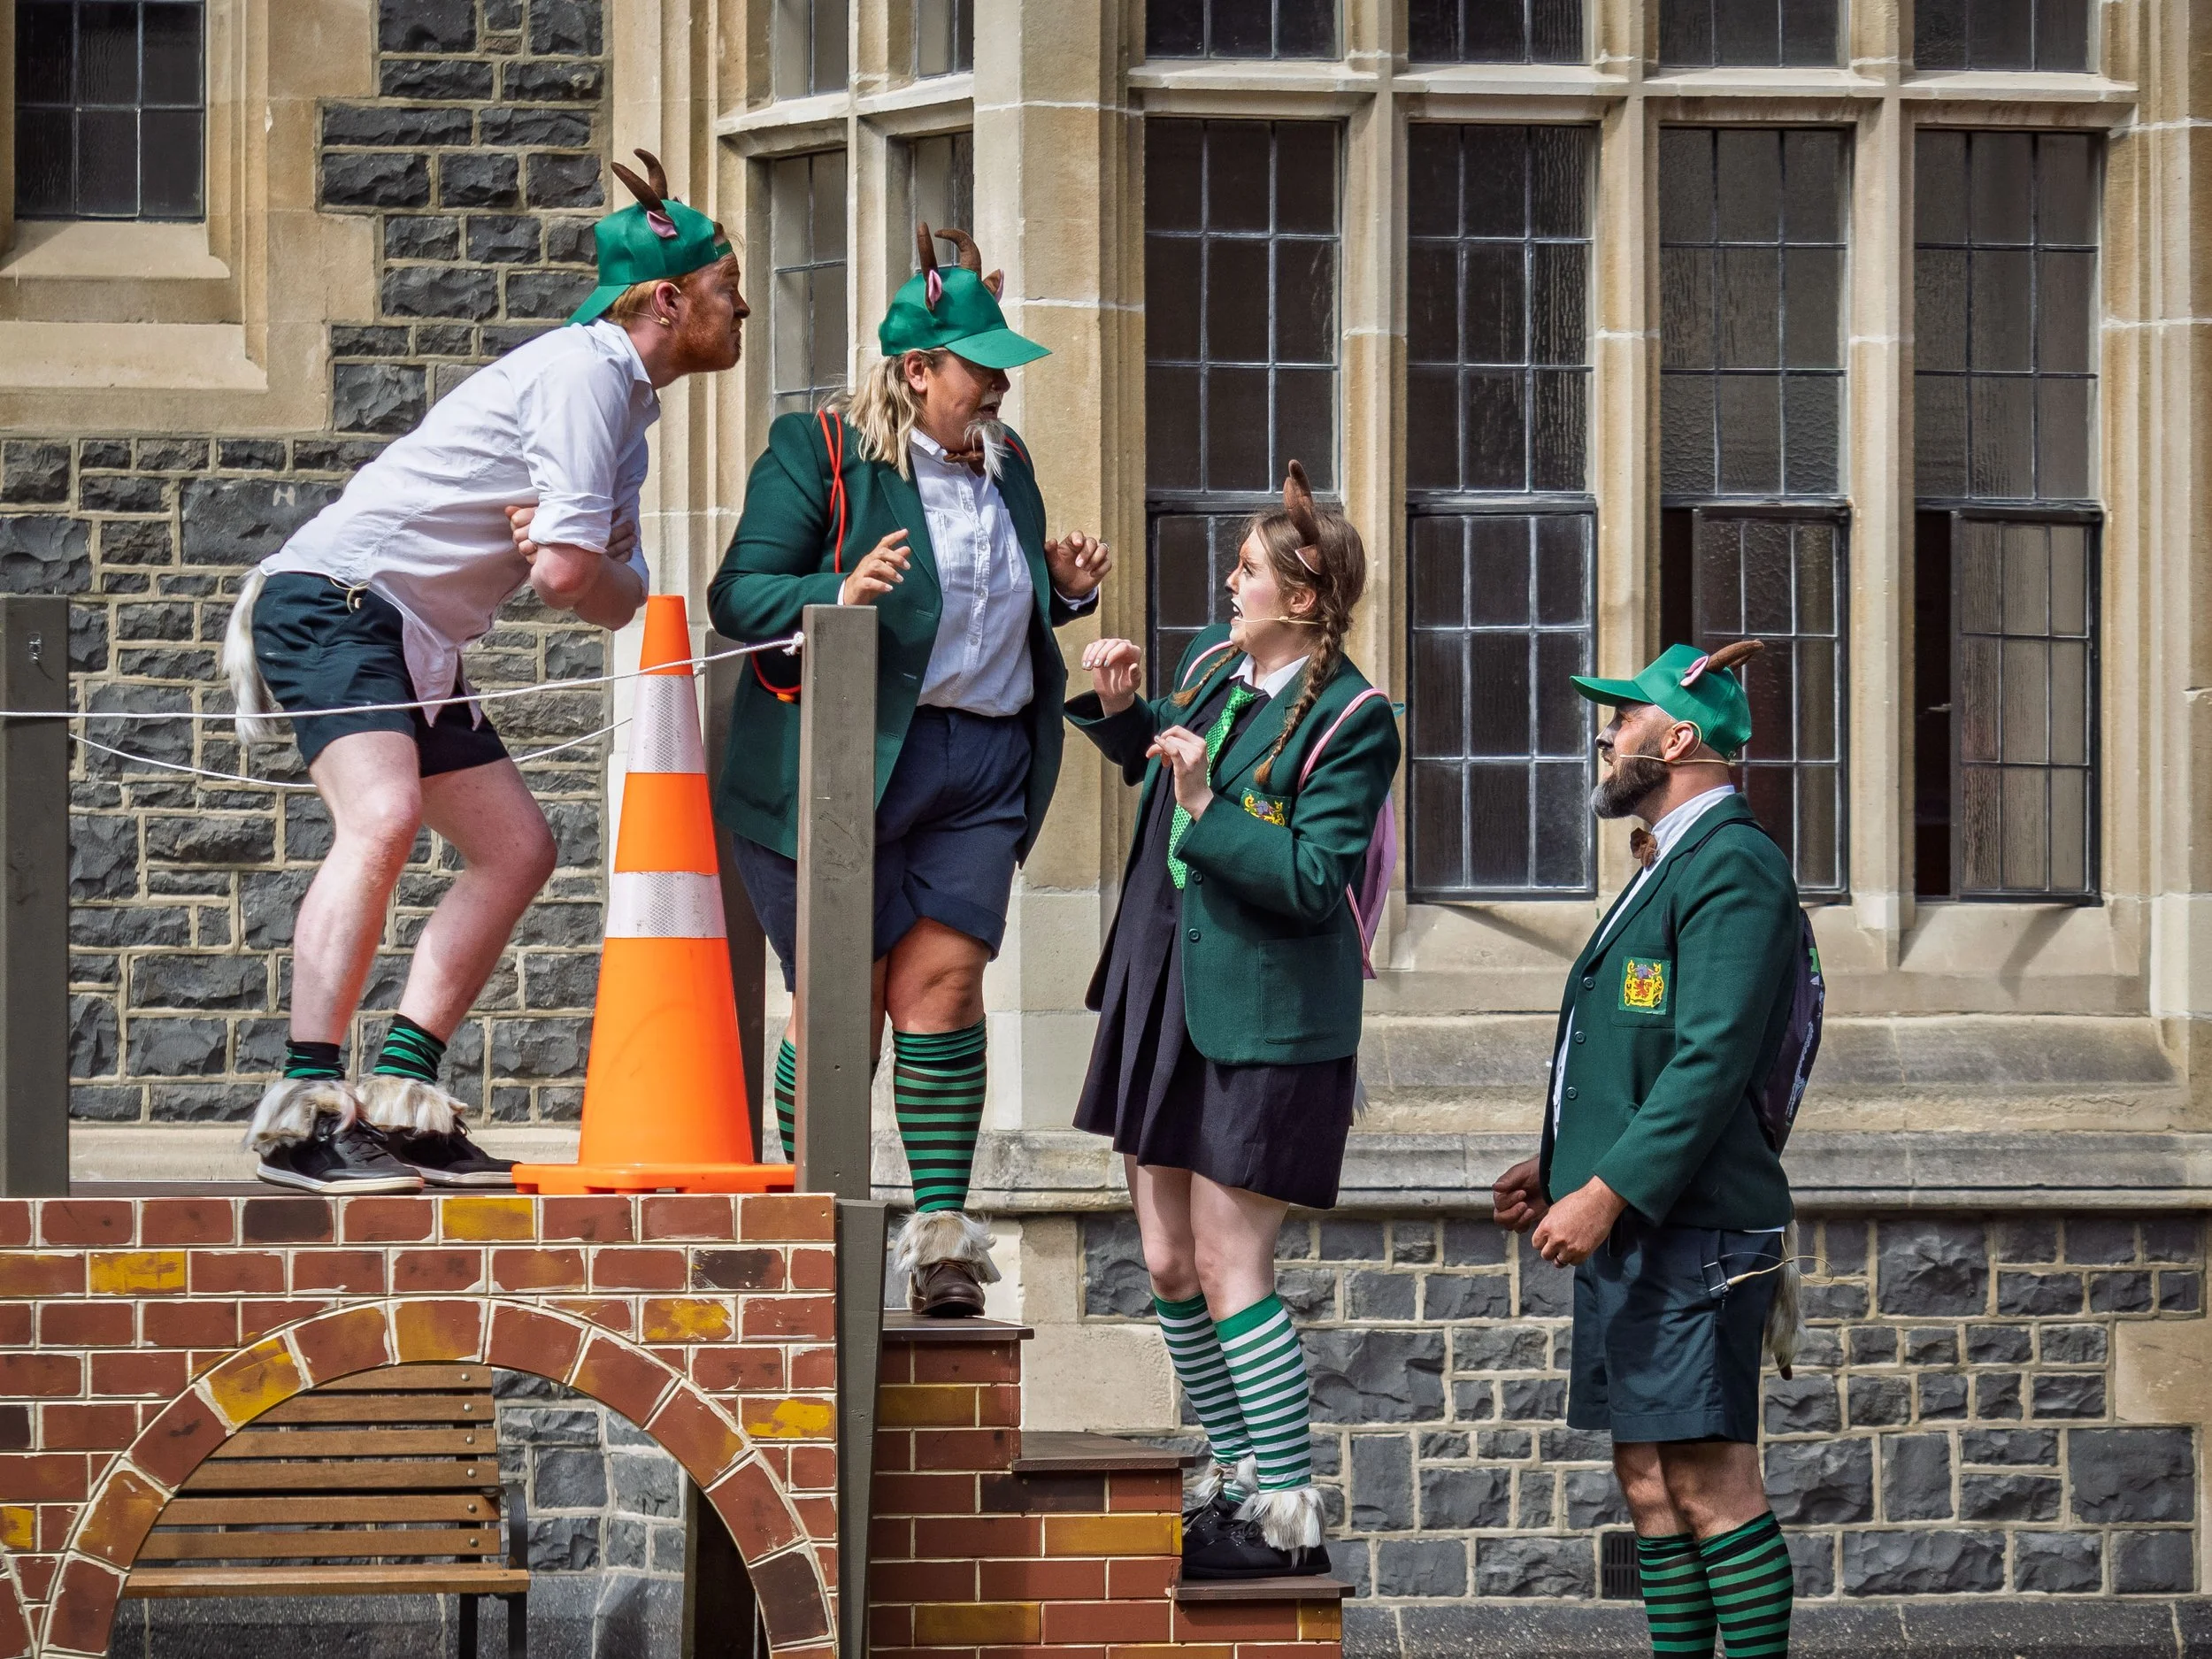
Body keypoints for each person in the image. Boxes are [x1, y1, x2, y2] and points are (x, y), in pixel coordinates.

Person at [226, 152, 748, 1194]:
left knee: (517, 850)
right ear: (668, 297)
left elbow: (617, 597)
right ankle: (301, 1107)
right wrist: (577, 555)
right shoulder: (583, 373)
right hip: (338, 597)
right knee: (380, 820)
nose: (741, 313)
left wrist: (583, 557)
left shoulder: (630, 411)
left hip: (416, 634)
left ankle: (408, 1099)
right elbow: (569, 579)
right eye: (729, 292)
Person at [708, 225, 1111, 1316]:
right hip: (841, 761)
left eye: (999, 370)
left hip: (979, 759)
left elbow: (988, 605)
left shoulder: (1007, 465)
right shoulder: (821, 452)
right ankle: (813, 1221)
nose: (996, 388)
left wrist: (1062, 591)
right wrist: (836, 590)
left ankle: (941, 1237)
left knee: (942, 988)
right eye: (978, 369)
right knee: (842, 1003)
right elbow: (738, 596)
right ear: (917, 370)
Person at [1065, 464, 1400, 1581]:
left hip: (1266, 1020)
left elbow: (1314, 879)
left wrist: (1207, 804)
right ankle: (1226, 1468)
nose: (1230, 579)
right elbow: (1173, 749)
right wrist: (1126, 716)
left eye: (1249, 568)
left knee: (1227, 1260)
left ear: (1304, 599)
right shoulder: (1216, 670)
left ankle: (1284, 1503)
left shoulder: (1356, 721)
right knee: (1164, 1262)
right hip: (1164, 992)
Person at [1492, 640, 1802, 1659]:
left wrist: (1606, 1192)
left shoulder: (1735, 866)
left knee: (1712, 1486)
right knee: (1649, 1488)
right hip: (1644, 1216)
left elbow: (1710, 1061)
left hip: (1695, 1224)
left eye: (1624, 718)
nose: (1605, 733)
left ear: (1679, 737)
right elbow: (1640, 1039)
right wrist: (1561, 1160)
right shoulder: (1672, 861)